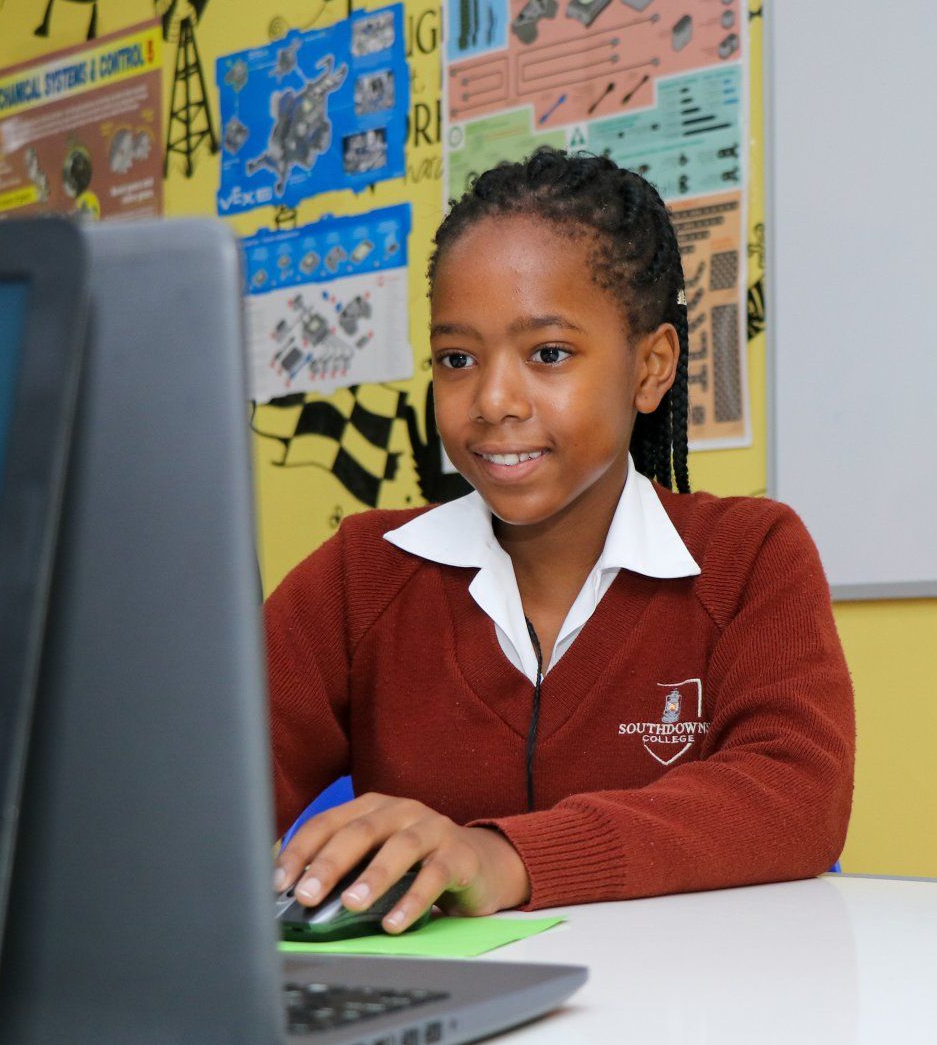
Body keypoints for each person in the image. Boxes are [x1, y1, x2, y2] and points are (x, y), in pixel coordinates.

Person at [266, 147, 853, 931]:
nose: (494, 399)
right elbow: (199, 790)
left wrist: (502, 858)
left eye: (548, 354)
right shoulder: (364, 575)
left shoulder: (747, 557)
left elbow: (796, 797)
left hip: (689, 1023)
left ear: (651, 368)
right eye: (456, 358)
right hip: (442, 1026)